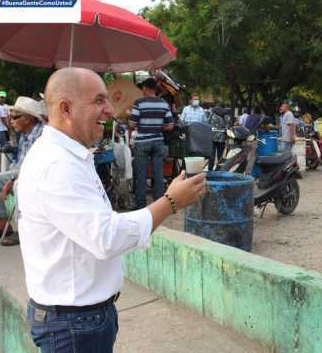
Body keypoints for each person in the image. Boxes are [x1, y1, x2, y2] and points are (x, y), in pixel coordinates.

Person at [17, 68, 206, 353]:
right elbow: (105, 237)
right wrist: (169, 202)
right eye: (98, 100)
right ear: (66, 108)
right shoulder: (56, 165)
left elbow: (99, 223)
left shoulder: (70, 155)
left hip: (81, 318)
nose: (109, 109)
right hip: (73, 324)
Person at [0, 96, 44, 246]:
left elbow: (35, 165)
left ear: (28, 119)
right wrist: (13, 149)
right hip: (20, 170)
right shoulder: (25, 133)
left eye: (15, 117)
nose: (11, 120)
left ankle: (23, 230)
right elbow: (22, 157)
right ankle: (4, 226)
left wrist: (13, 180)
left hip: (34, 174)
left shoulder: (41, 134)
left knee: (17, 185)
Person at [129, 78, 174, 210]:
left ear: (146, 88)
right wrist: (158, 127)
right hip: (158, 142)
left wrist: (129, 116)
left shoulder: (139, 103)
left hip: (142, 142)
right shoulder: (164, 104)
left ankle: (141, 204)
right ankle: (159, 205)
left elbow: (132, 124)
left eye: (142, 88)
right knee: (158, 174)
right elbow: (170, 125)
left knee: (141, 174)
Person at [208, 105, 228, 170]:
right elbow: (227, 127)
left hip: (212, 137)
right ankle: (218, 170)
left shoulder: (212, 114)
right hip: (221, 139)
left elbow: (208, 123)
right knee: (220, 156)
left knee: (211, 156)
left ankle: (210, 170)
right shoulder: (225, 116)